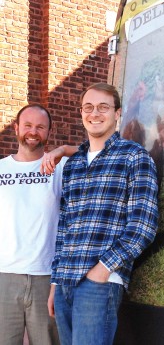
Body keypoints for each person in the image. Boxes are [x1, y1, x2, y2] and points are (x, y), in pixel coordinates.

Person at [48, 82, 159, 345]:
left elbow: (143, 226)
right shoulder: (73, 164)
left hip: (99, 282)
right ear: (81, 113)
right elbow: (65, 226)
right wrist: (55, 282)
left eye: (103, 107)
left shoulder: (134, 157)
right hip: (65, 280)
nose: (94, 113)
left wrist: (103, 270)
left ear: (117, 113)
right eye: (88, 107)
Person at [0, 104, 65, 345]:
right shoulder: (1, 169)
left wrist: (62, 150)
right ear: (16, 128)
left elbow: (99, 154)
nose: (33, 131)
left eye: (40, 127)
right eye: (27, 125)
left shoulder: (61, 169)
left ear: (49, 132)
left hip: (46, 278)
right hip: (3, 275)